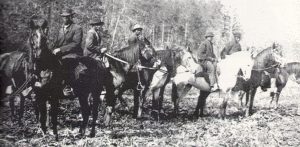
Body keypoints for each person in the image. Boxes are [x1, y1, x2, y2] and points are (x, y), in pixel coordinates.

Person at [51, 8, 83, 96]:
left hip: (73, 53)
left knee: (66, 63)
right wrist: (52, 49)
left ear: (71, 17)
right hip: (60, 54)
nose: (64, 19)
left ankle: (67, 86)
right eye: (63, 17)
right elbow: (56, 42)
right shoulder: (60, 29)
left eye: (67, 17)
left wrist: (60, 49)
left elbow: (76, 43)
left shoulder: (77, 28)